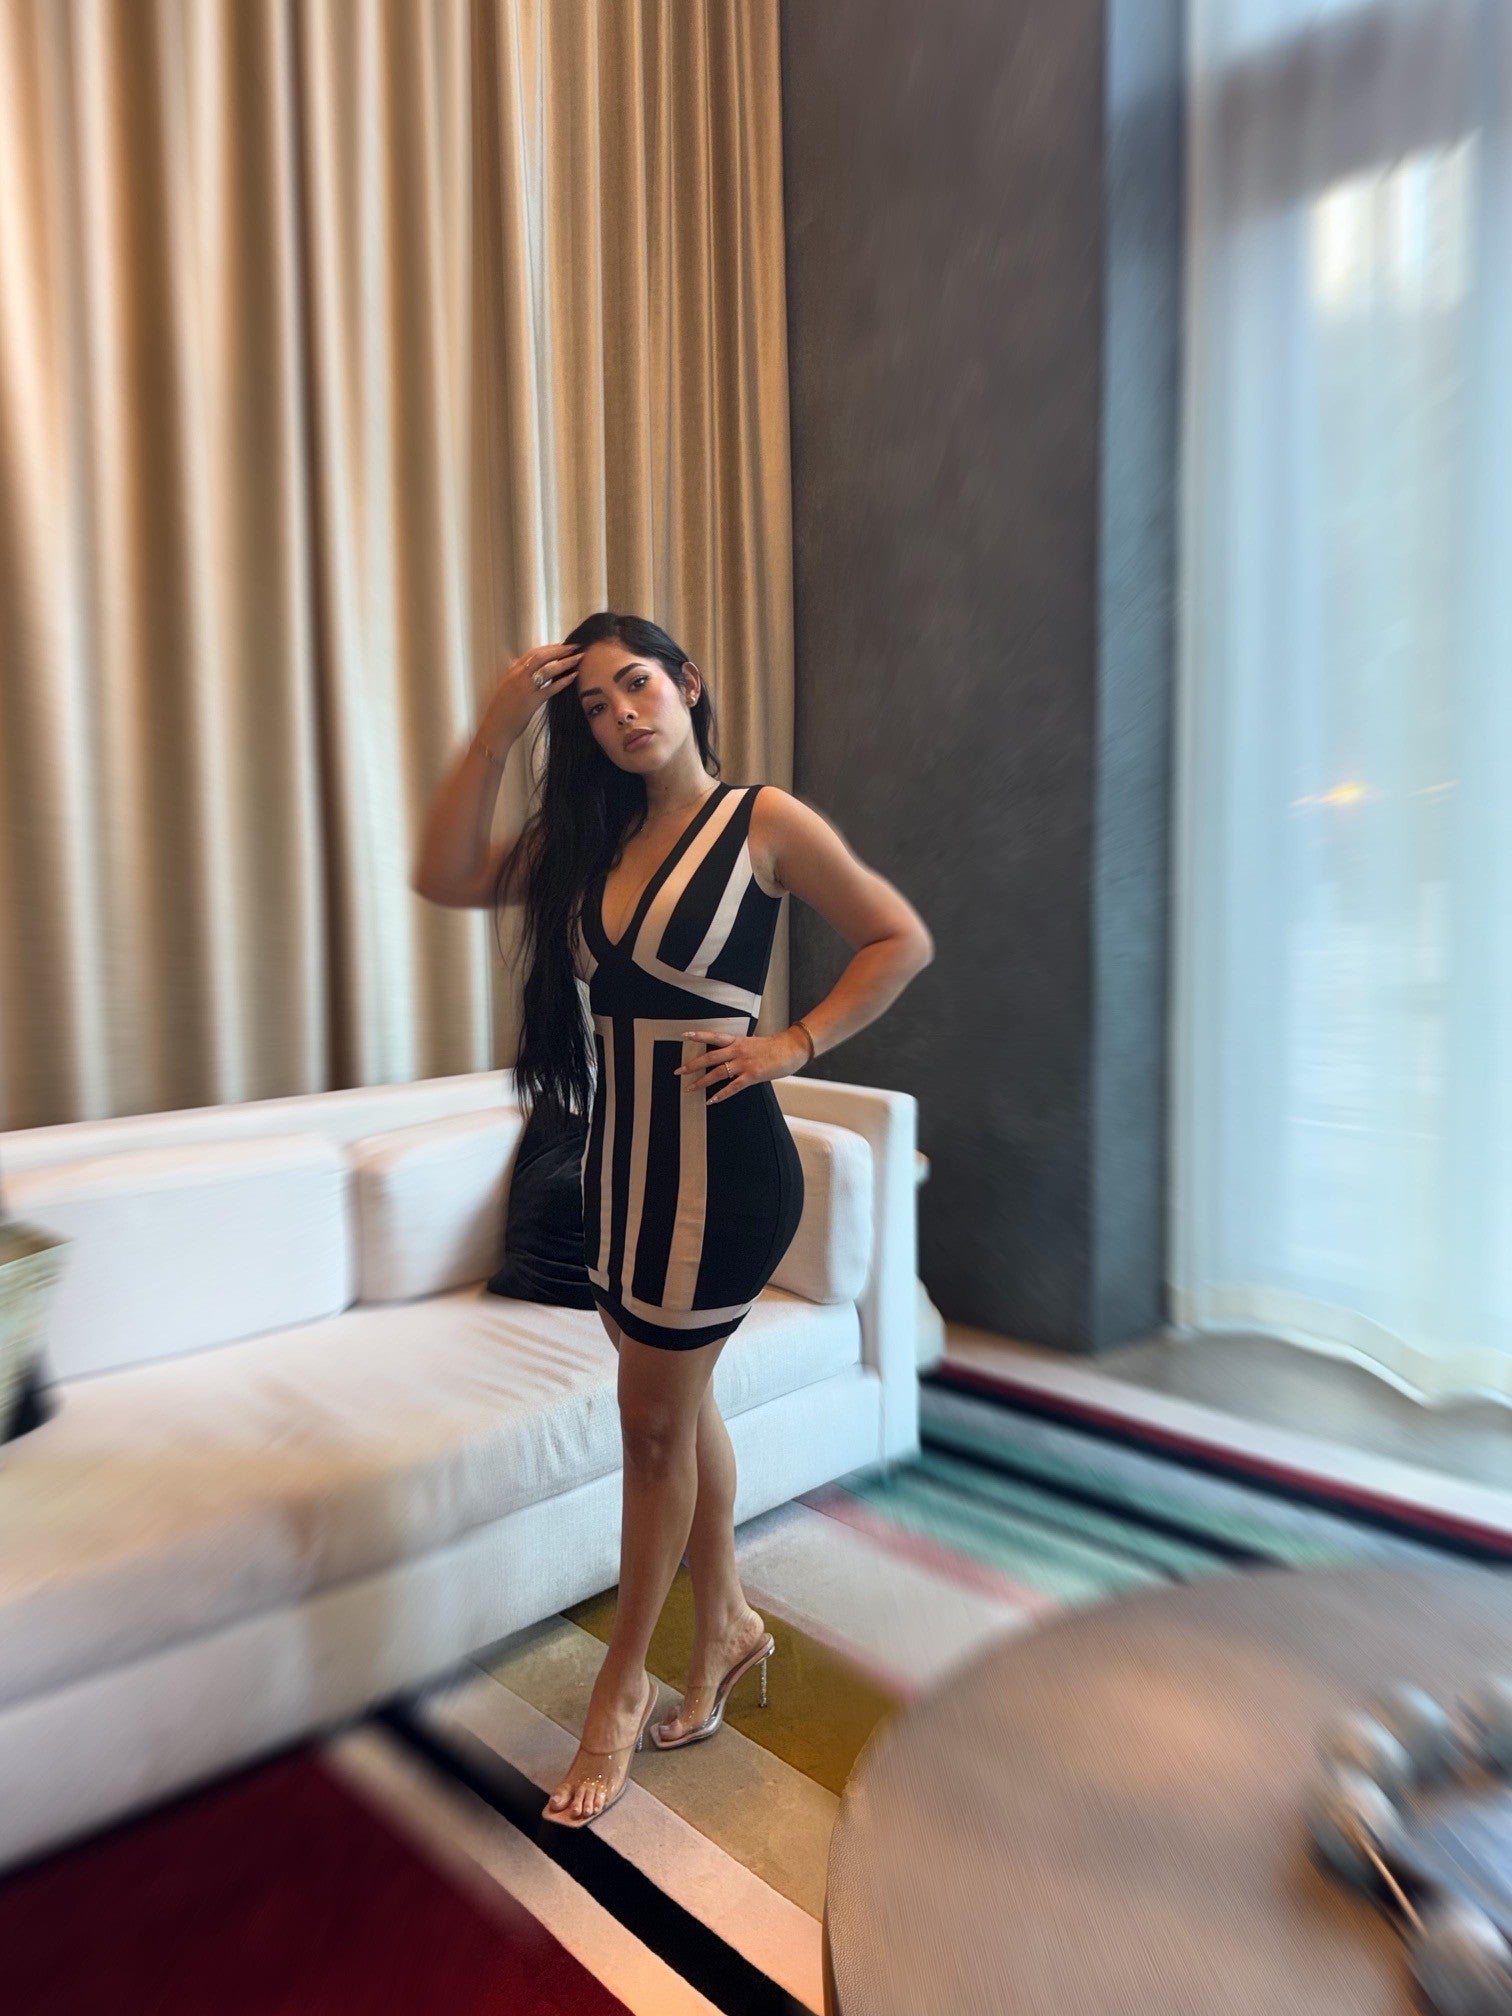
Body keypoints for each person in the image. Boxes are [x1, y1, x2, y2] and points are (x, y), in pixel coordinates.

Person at [412, 613, 933, 1826]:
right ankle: (731, 1623)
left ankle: (619, 1685)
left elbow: (896, 939)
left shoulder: (763, 822)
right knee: (677, 1406)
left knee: (650, 1426)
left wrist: (792, 1044)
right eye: (594, 707)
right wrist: (495, 733)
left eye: (636, 685)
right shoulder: (585, 846)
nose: (621, 717)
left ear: (687, 685)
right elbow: (445, 875)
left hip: (726, 1176)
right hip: (622, 1173)